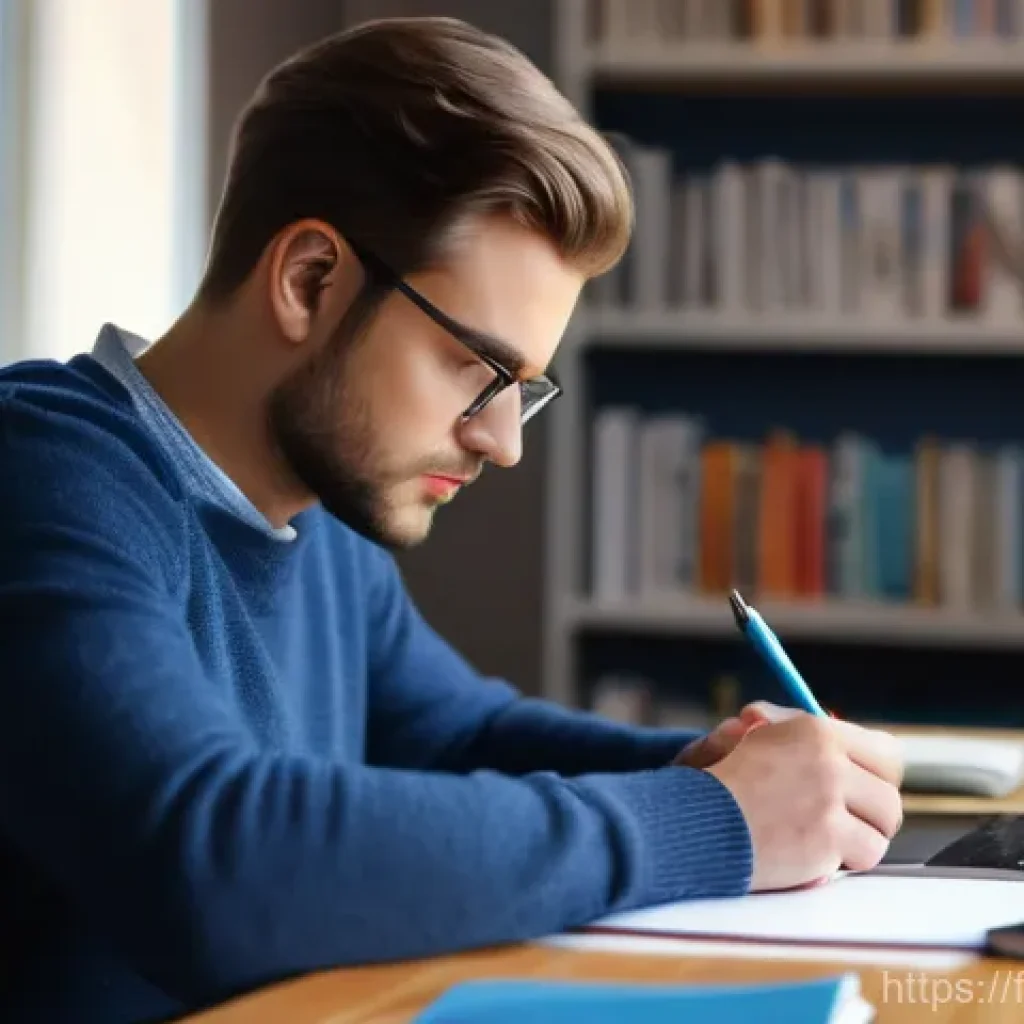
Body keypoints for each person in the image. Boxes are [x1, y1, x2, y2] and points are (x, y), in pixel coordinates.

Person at [0, 16, 904, 1024]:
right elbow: (211, 858)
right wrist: (714, 820)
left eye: (523, 389)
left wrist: (707, 768)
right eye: (477, 368)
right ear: (309, 280)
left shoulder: (314, 514)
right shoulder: (43, 476)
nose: (502, 441)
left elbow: (456, 736)